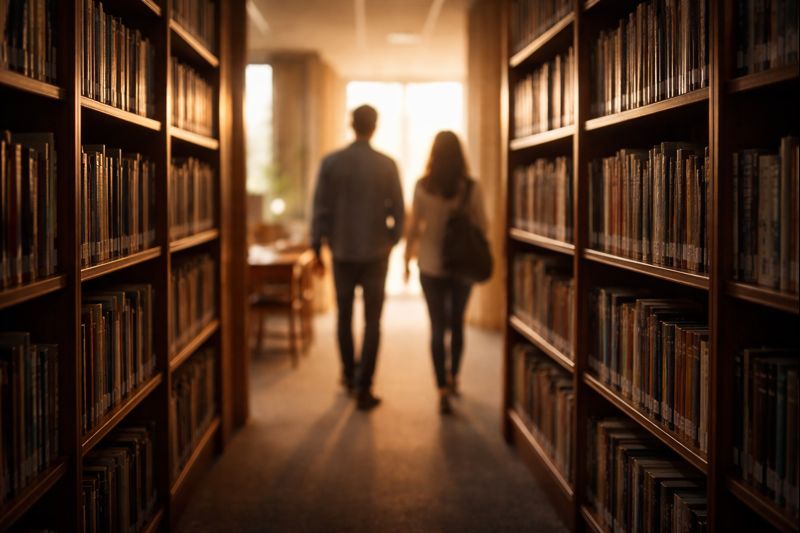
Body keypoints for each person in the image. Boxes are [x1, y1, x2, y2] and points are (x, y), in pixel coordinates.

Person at [311, 104, 405, 411]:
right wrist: (390, 240)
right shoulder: (387, 165)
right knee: (373, 322)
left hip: (342, 252)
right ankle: (365, 386)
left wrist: (316, 249)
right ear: (374, 126)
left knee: (344, 316)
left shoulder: (331, 163)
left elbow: (320, 209)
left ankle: (349, 376)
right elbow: (399, 213)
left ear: (351, 125)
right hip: (376, 253)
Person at [404, 131, 488, 414]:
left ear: (434, 154)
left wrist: (405, 261)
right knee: (457, 324)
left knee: (437, 328)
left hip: (429, 265)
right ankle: (454, 378)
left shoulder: (422, 186)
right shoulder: (471, 188)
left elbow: (414, 226)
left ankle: (440, 387)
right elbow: (483, 226)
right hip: (462, 265)